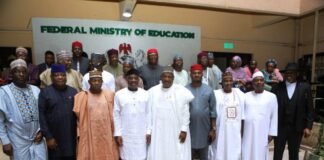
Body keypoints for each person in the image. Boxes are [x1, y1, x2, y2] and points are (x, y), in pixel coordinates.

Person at [0, 59, 46, 159]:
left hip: (37, 138)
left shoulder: (35, 90)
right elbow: (0, 120)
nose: (21, 74)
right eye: (17, 71)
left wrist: (42, 131)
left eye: (24, 71)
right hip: (17, 140)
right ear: (12, 74)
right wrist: (5, 141)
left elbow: (43, 114)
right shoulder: (4, 92)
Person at [148, 66, 194, 160]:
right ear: (161, 78)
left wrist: (184, 129)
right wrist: (149, 131)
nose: (167, 79)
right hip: (158, 130)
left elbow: (186, 112)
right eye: (164, 76)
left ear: (173, 78)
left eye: (169, 77)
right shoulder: (152, 91)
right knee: (159, 152)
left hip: (176, 129)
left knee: (176, 152)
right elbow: (148, 113)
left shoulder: (181, 91)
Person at [73, 69, 119, 160]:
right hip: (90, 133)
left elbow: (116, 115)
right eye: (94, 81)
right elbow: (79, 119)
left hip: (107, 132)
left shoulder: (110, 95)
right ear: (89, 82)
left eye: (99, 80)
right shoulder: (81, 96)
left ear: (102, 82)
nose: (96, 83)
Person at [272, 63, 314, 160]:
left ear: (297, 74)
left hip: (297, 127)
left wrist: (308, 126)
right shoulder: (276, 88)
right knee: (277, 152)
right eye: (287, 73)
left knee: (294, 154)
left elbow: (310, 108)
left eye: (292, 73)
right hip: (280, 127)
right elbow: (271, 109)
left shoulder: (305, 87)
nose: (289, 75)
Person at [38, 64, 77, 160]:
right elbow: (41, 115)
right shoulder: (45, 92)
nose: (60, 77)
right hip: (54, 137)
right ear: (51, 77)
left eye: (62, 75)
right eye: (56, 75)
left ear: (65, 76)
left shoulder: (73, 91)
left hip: (71, 136)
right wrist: (48, 137)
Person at [114, 68, 150, 160]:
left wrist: (148, 131)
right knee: (126, 157)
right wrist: (118, 133)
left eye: (135, 78)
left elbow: (149, 114)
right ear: (126, 79)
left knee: (141, 157)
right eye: (130, 78)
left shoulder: (146, 94)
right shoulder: (119, 94)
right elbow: (116, 115)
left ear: (139, 80)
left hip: (141, 133)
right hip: (125, 134)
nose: (133, 80)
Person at [242, 71, 278, 160]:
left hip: (263, 131)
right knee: (247, 152)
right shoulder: (245, 96)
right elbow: (242, 115)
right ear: (252, 83)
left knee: (261, 153)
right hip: (248, 132)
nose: (258, 82)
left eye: (261, 80)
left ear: (264, 82)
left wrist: (272, 133)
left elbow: (274, 116)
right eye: (256, 80)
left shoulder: (271, 96)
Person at [210, 71, 245, 160]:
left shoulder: (239, 94)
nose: (228, 83)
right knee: (219, 152)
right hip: (219, 130)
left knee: (234, 152)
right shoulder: (215, 94)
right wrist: (213, 128)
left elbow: (242, 116)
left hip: (234, 131)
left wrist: (241, 132)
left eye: (230, 80)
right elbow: (212, 113)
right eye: (226, 80)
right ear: (221, 82)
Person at [186, 64, 216, 160]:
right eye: (194, 73)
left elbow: (213, 111)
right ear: (191, 75)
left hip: (205, 129)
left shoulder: (209, 90)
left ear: (202, 74)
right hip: (189, 129)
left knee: (204, 156)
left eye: (199, 73)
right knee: (188, 155)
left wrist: (213, 129)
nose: (196, 75)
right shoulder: (185, 90)